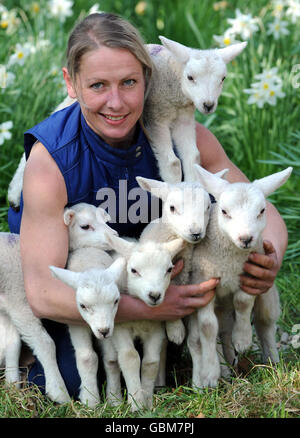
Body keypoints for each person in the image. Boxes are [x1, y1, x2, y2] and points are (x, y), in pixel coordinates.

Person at [7, 12, 288, 398]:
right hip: (88, 297)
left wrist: (268, 258)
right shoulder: (52, 161)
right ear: (70, 84)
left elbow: (258, 205)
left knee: (176, 355)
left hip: (156, 283)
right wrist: (145, 308)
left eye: (129, 83)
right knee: (78, 378)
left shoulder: (183, 140)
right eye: (98, 85)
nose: (116, 102)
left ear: (148, 79)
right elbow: (42, 291)